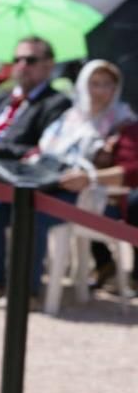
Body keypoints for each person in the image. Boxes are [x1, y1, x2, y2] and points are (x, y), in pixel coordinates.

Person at [0, 59, 133, 305]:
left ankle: (27, 293)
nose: (100, 91)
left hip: (88, 197)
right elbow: (44, 149)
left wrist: (90, 176)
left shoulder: (124, 123)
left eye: (107, 84)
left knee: (32, 216)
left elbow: (131, 172)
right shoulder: (69, 117)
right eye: (94, 83)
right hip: (48, 184)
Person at [62, 120, 138, 290]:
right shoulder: (121, 124)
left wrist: (91, 177)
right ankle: (104, 264)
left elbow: (132, 172)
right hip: (96, 193)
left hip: (120, 199)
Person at [0, 36, 72, 160]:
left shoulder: (57, 103)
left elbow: (45, 150)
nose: (22, 65)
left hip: (9, 173)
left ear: (49, 65)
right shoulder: (2, 97)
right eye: (17, 60)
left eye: (30, 60)